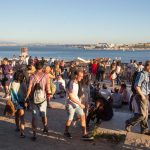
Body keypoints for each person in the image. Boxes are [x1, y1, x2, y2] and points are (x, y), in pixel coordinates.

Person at [64, 69, 94, 140]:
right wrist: (80, 104)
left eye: (82, 76)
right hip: (70, 104)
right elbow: (70, 97)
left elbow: (80, 94)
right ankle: (66, 132)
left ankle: (84, 134)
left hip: (77, 103)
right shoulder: (70, 83)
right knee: (70, 119)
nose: (82, 77)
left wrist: (87, 100)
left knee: (83, 116)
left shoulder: (78, 82)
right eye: (80, 76)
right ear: (76, 76)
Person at [25, 61, 51, 140]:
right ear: (42, 67)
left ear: (35, 67)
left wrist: (26, 98)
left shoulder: (32, 76)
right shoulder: (46, 76)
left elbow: (29, 88)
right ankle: (45, 127)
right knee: (43, 114)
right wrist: (48, 98)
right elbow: (48, 89)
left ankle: (34, 134)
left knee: (34, 117)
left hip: (33, 99)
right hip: (42, 99)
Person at [125, 61, 150, 135]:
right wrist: (142, 96)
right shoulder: (141, 74)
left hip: (146, 95)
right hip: (141, 96)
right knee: (142, 115)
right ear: (147, 66)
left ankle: (144, 129)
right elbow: (136, 86)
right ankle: (129, 123)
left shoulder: (147, 74)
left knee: (145, 115)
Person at [10, 70, 27, 138]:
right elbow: (26, 93)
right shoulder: (23, 84)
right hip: (21, 102)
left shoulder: (12, 83)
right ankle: (22, 133)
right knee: (22, 117)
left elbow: (9, 92)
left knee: (16, 116)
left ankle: (17, 127)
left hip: (14, 102)